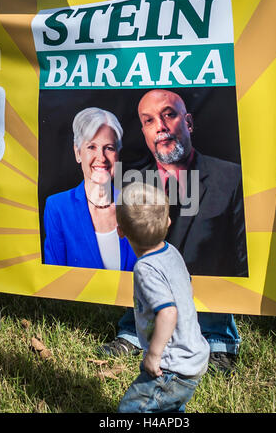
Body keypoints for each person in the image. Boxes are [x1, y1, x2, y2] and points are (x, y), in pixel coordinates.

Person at [102, 89, 248, 374]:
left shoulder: (230, 178)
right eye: (149, 120)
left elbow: (240, 255)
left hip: (213, 293)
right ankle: (133, 331)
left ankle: (218, 339)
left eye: (169, 114)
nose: (161, 127)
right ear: (143, 131)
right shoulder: (132, 183)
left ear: (189, 122)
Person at [116, 182, 210, 413]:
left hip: (171, 366)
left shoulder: (145, 268)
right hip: (193, 355)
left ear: (120, 231)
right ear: (168, 223)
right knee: (168, 408)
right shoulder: (171, 251)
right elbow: (188, 288)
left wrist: (153, 355)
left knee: (131, 409)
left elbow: (168, 312)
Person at [43, 107, 136, 271]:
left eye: (109, 148)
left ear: (118, 155)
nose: (101, 158)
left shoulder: (137, 207)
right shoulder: (57, 207)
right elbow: (54, 279)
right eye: (91, 147)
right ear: (77, 153)